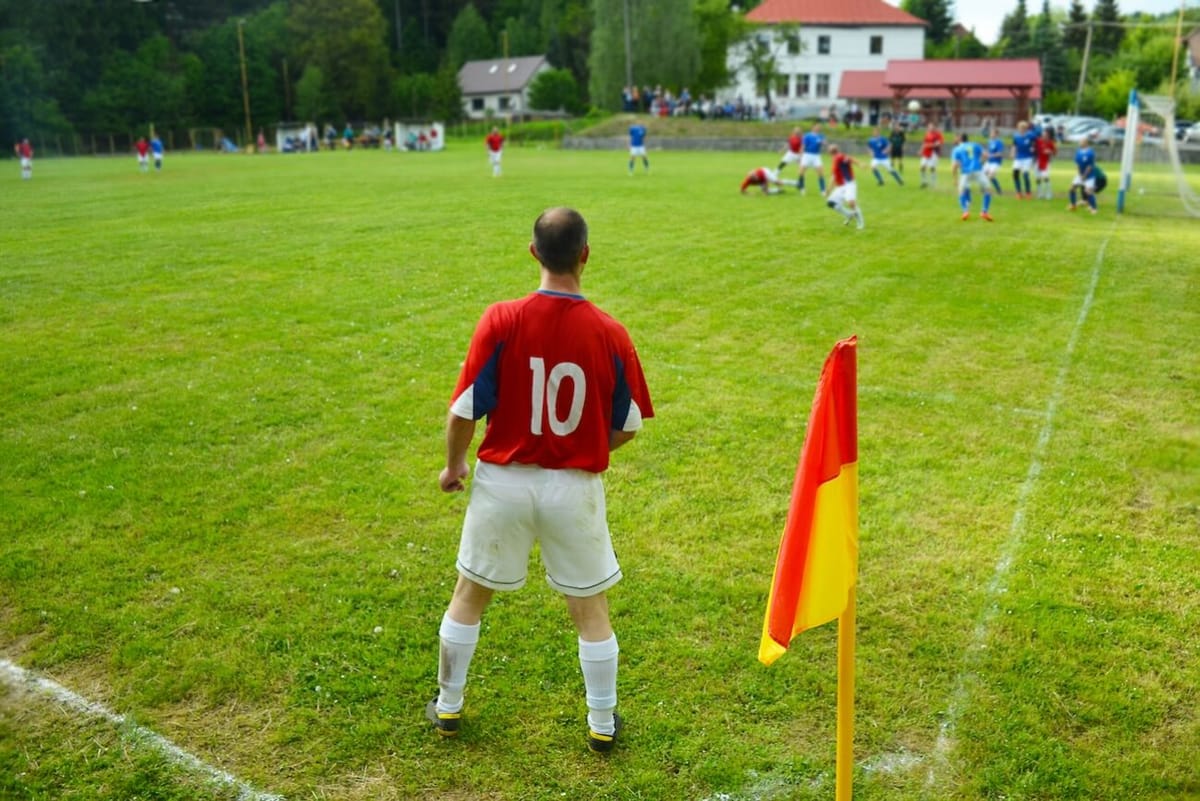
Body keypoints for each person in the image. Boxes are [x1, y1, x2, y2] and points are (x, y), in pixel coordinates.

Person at [427, 207, 654, 755]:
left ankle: (449, 706)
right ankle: (601, 721)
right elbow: (630, 424)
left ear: (533, 252)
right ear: (585, 255)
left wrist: (454, 465)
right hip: (572, 489)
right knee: (590, 607)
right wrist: (588, 446)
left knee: (469, 594)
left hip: (502, 481)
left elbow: (463, 411)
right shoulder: (610, 332)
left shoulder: (501, 319)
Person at [950, 133, 994, 222]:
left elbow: (954, 165)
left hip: (965, 172)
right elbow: (986, 155)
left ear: (960, 140)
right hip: (978, 170)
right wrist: (981, 163)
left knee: (961, 192)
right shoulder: (975, 145)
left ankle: (965, 211)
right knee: (988, 190)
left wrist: (954, 179)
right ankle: (984, 211)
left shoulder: (957, 149)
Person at [824, 144, 864, 229]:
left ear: (831, 151)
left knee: (851, 203)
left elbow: (850, 159)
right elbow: (834, 177)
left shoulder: (839, 157)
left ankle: (860, 222)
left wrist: (859, 164)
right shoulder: (834, 159)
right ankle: (849, 214)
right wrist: (828, 190)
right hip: (841, 186)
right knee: (831, 203)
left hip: (849, 184)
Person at [1067, 141, 1105, 214]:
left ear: (1086, 143)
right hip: (1080, 174)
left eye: (1081, 142)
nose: (1079, 143)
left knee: (1088, 191)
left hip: (1089, 175)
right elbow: (1077, 164)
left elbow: (1090, 166)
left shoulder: (1090, 153)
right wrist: (1079, 174)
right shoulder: (1078, 152)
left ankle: (1094, 209)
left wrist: (1084, 175)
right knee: (1072, 188)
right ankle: (1073, 205)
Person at [796, 122, 826, 195]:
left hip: (816, 155)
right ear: (813, 127)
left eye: (819, 127)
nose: (818, 128)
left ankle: (823, 190)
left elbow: (824, 143)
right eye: (817, 126)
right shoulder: (807, 135)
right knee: (801, 172)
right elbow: (803, 146)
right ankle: (802, 188)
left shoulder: (821, 135)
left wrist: (823, 142)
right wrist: (800, 157)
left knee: (820, 172)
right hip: (807, 155)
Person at [1010, 120, 1037, 199]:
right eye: (1020, 128)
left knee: (1025, 175)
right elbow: (1014, 145)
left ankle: (1028, 192)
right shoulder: (1016, 136)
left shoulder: (1031, 135)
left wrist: (1034, 149)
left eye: (1023, 128)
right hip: (1019, 157)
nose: (1021, 129)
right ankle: (1018, 192)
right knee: (1015, 173)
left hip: (1028, 157)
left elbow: (1036, 142)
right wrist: (1012, 153)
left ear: (1026, 128)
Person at [1033, 127, 1058, 200]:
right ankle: (1040, 193)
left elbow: (1055, 153)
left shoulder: (1051, 143)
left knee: (1045, 177)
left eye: (1046, 135)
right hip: (1038, 161)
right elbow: (1035, 148)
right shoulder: (1038, 141)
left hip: (1046, 162)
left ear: (1048, 136)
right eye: (1043, 135)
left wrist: (1050, 152)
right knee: (1037, 178)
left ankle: (1049, 193)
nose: (1044, 137)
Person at [919, 122, 944, 189]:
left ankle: (933, 183)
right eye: (929, 127)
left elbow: (939, 143)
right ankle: (924, 182)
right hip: (926, 153)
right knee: (922, 167)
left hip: (933, 153)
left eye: (931, 127)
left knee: (932, 168)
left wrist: (929, 145)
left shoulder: (938, 134)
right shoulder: (927, 134)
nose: (930, 128)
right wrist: (921, 150)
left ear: (934, 127)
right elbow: (924, 143)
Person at [984, 126, 1005, 194]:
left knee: (990, 176)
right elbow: (989, 151)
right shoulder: (990, 141)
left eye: (992, 133)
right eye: (990, 133)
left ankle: (986, 190)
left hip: (996, 162)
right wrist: (986, 155)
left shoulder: (999, 142)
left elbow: (1000, 153)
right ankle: (998, 189)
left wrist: (991, 155)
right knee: (983, 175)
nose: (991, 134)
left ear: (996, 134)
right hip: (989, 162)